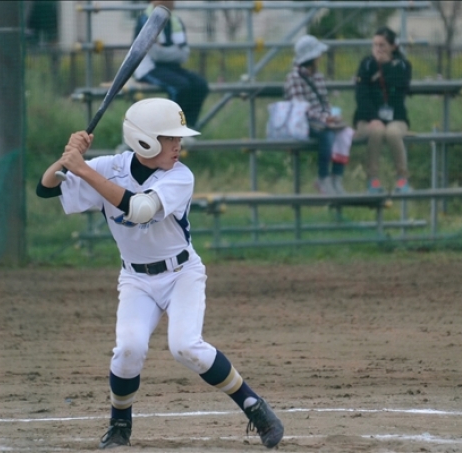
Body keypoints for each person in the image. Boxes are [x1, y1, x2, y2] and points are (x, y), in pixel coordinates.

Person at [36, 98, 284, 450]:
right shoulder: (110, 167)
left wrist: (83, 169)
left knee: (186, 347)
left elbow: (140, 209)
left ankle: (254, 406)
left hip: (181, 273)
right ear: (145, 140)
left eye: (177, 138)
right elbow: (46, 188)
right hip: (136, 279)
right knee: (128, 350)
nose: (177, 145)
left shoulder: (180, 176)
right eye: (169, 138)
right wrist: (67, 159)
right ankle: (120, 424)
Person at [353, 26, 413, 194]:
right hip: (367, 118)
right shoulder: (366, 64)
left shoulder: (403, 65)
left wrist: (386, 66)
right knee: (377, 131)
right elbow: (361, 94)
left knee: (393, 133)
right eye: (375, 45)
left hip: (396, 117)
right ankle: (372, 179)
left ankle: (402, 179)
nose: (378, 49)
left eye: (382, 45)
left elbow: (402, 87)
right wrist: (372, 117)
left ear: (392, 47)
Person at [285, 35, 347, 195]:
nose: (320, 57)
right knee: (327, 133)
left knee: (345, 132)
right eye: (318, 54)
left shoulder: (318, 76)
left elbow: (324, 101)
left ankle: (336, 177)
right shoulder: (294, 78)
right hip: (303, 121)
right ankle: (323, 177)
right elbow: (300, 108)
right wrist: (325, 118)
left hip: (320, 119)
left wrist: (330, 115)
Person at [133, 0, 209, 129]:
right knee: (180, 86)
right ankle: (169, 129)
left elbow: (184, 54)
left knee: (200, 85)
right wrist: (175, 51)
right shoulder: (145, 20)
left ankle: (188, 127)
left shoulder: (175, 21)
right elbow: (155, 54)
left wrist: (165, 50)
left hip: (172, 68)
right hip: (149, 68)